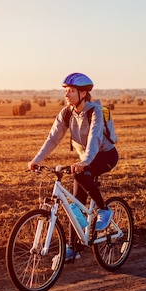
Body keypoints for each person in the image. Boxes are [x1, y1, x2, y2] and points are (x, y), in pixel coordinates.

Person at [28, 73, 119, 261]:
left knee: (80, 175)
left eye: (71, 91)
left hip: (105, 155)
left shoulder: (96, 111)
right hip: (86, 159)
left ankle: (104, 210)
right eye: (66, 91)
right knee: (75, 204)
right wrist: (37, 159)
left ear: (83, 93)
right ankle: (72, 248)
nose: (66, 95)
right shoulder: (67, 113)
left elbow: (95, 139)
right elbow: (53, 138)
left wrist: (84, 163)